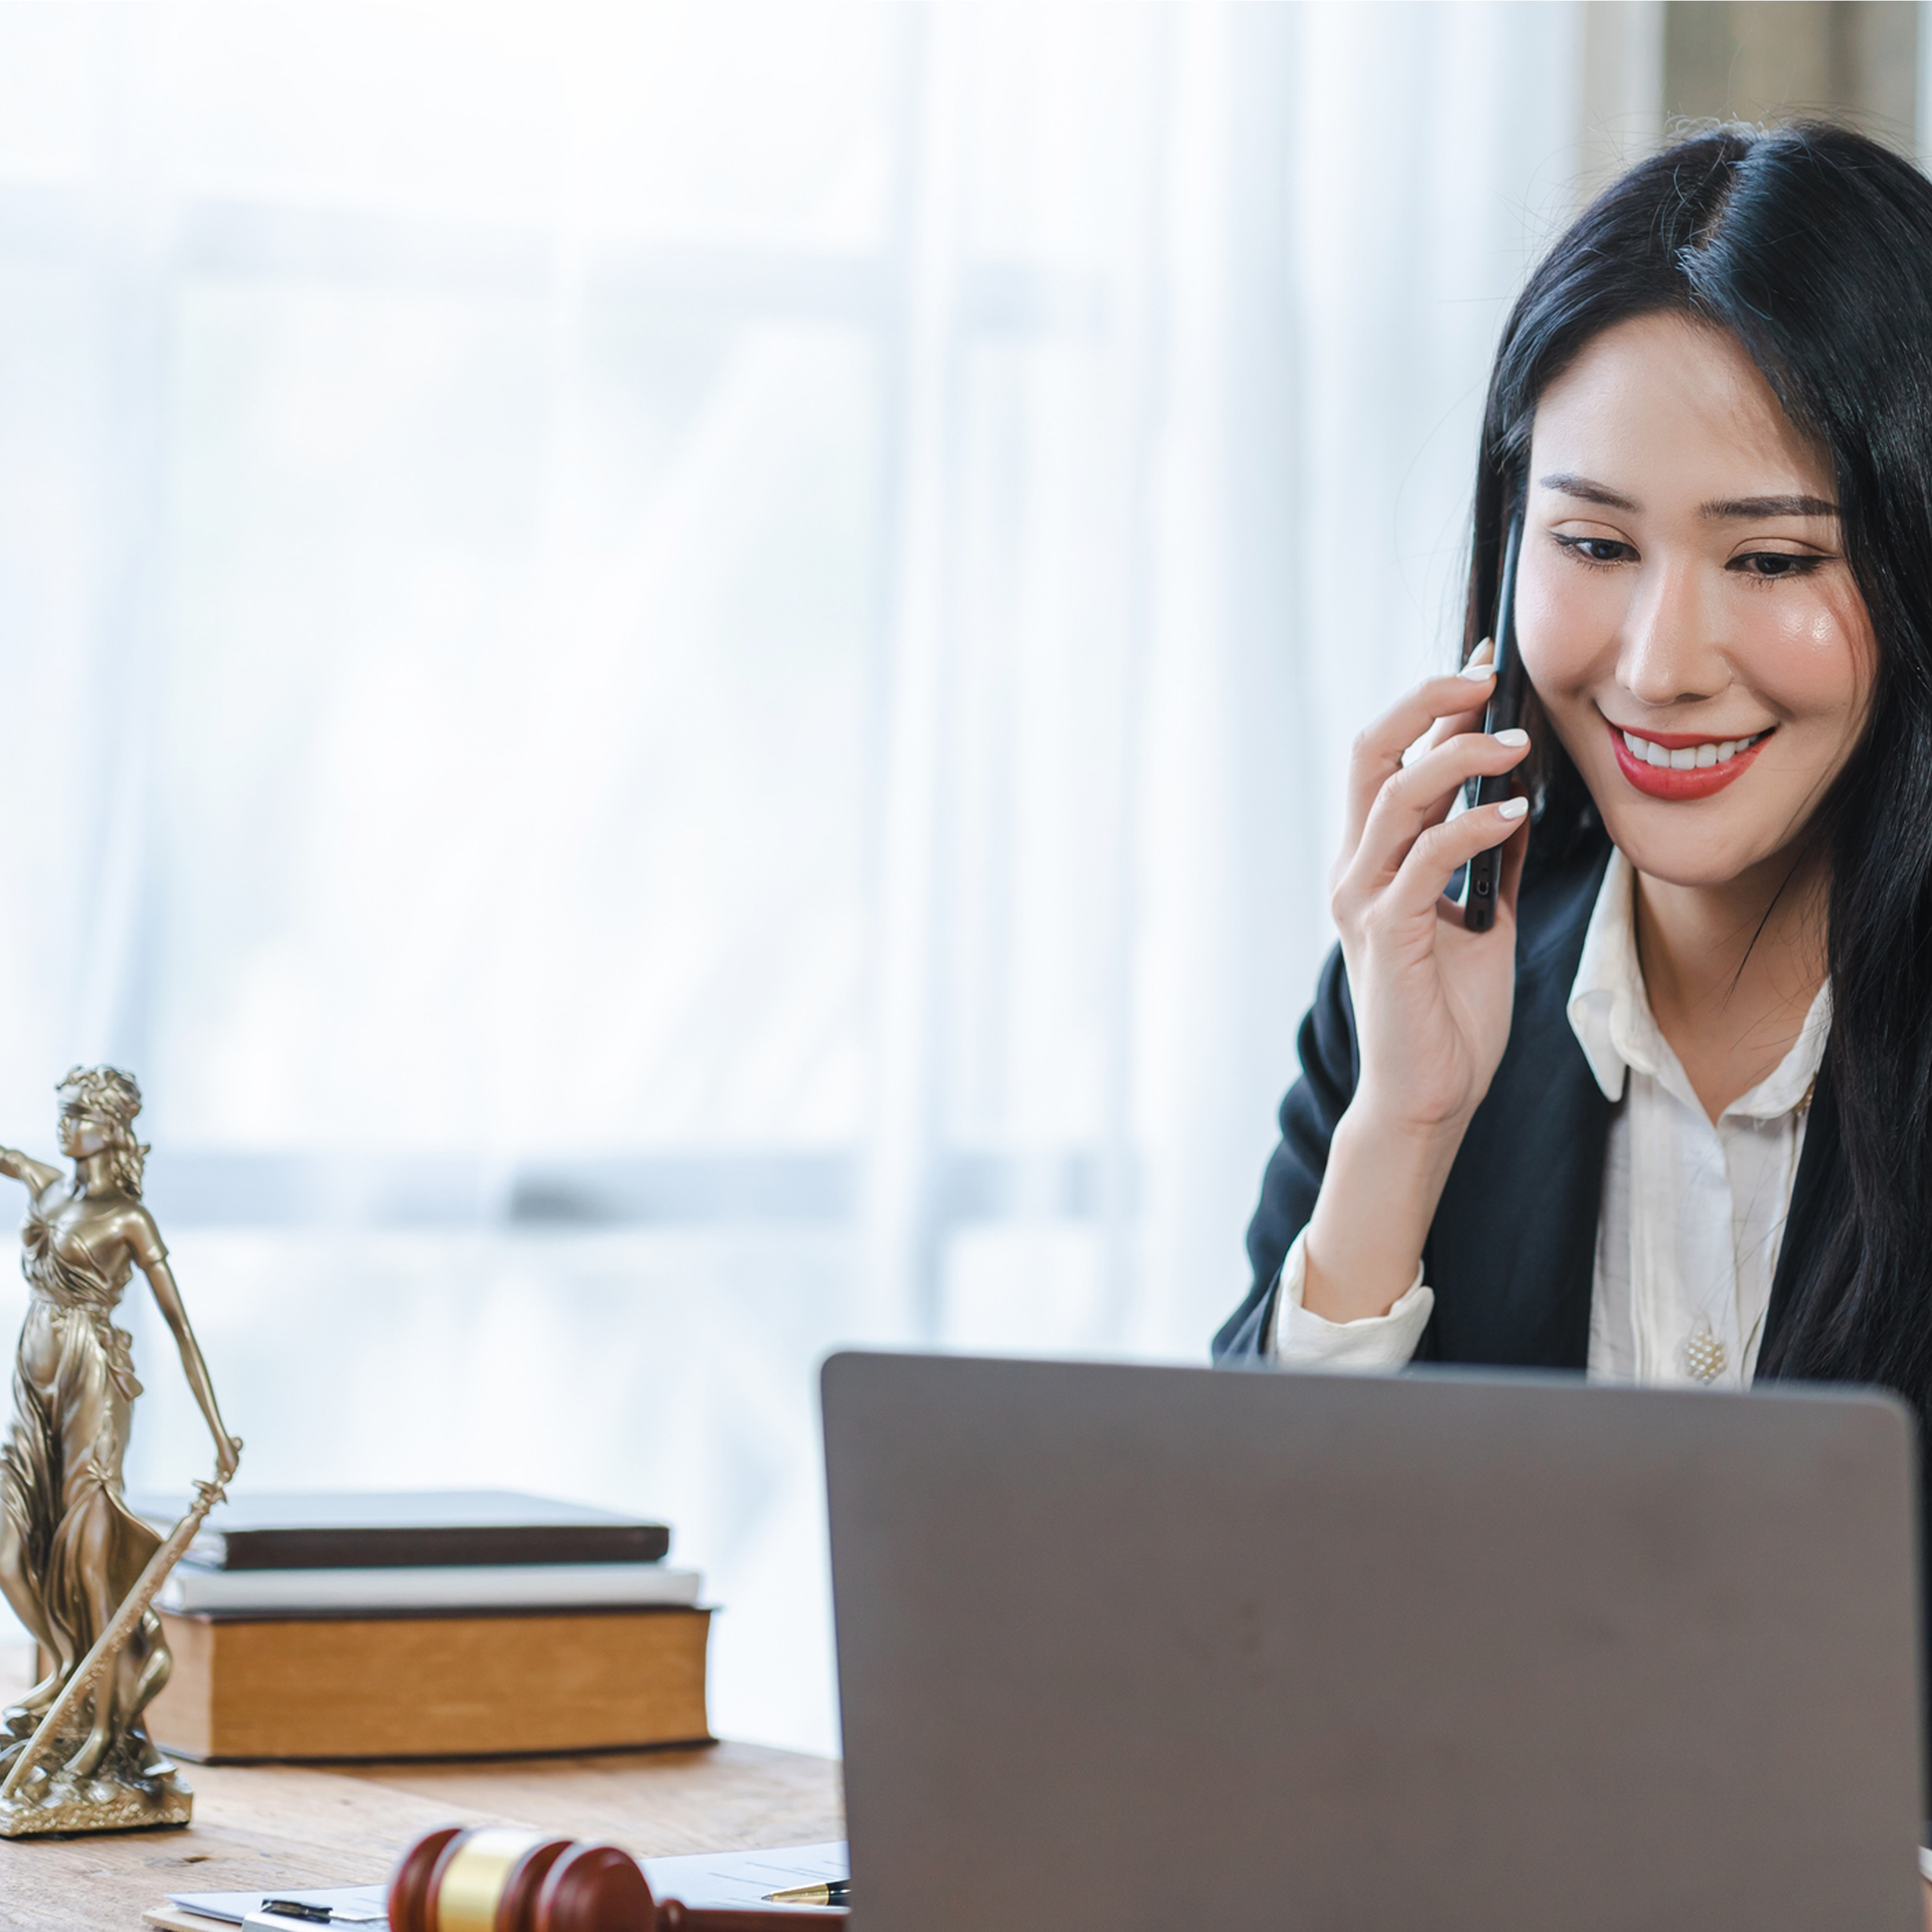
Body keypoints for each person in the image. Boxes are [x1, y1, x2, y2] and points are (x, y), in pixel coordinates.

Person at [1213, 121, 1932, 1900]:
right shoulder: (1416, 1000)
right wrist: (1403, 1129)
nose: (1659, 658)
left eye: (1773, 560)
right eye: (1593, 542)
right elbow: (1233, 1674)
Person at [0, 1066, 240, 1797]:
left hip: (92, 1383)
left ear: (112, 1123)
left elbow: (180, 1326)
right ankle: (71, 1673)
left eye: (77, 1112)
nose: (63, 1125)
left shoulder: (130, 1219)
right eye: (62, 1112)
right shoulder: (48, 1187)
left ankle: (105, 1730)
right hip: (32, 1384)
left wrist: (218, 1432)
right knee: (14, 1553)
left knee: (91, 1560)